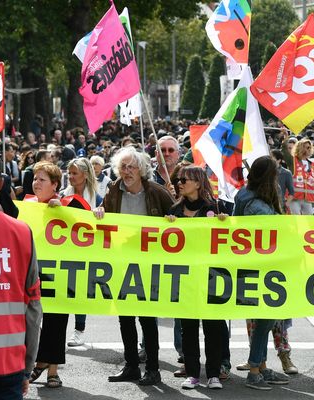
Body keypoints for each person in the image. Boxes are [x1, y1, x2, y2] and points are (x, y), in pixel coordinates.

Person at [94, 146, 174, 386]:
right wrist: (99, 210)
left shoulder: (157, 192)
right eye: (122, 167)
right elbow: (104, 214)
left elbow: (179, 217)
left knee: (147, 319)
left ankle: (153, 369)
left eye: (130, 167)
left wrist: (173, 219)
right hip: (121, 262)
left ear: (142, 170)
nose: (126, 171)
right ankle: (131, 366)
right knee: (125, 317)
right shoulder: (113, 191)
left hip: (148, 264)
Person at [0, 149, 42, 400]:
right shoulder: (21, 233)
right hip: (6, 363)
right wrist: (27, 369)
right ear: (0, 184)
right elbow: (33, 307)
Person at [165, 166, 228, 390]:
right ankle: (192, 374)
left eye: (185, 179)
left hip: (211, 277)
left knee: (213, 327)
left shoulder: (215, 207)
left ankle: (213, 374)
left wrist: (225, 222)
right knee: (188, 328)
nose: (179, 183)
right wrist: (167, 226)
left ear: (199, 183)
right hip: (186, 278)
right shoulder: (174, 209)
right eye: (179, 179)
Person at [233, 156, 290, 390]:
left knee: (263, 320)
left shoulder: (247, 195)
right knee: (265, 320)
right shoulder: (256, 204)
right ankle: (255, 370)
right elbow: (271, 232)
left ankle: (262, 367)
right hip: (259, 268)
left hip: (255, 267)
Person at [25, 161, 68, 389]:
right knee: (33, 320)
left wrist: (61, 210)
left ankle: (52, 370)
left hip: (60, 274)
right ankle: (39, 361)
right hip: (32, 272)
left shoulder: (69, 205)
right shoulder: (27, 205)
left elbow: (89, 223)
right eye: (34, 179)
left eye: (42, 180)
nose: (36, 183)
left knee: (56, 320)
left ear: (55, 185)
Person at [59, 158, 102, 347]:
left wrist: (102, 212)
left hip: (87, 251)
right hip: (65, 249)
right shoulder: (62, 196)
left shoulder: (98, 198)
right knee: (64, 290)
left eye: (75, 173)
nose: (71, 177)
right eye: (69, 173)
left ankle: (79, 330)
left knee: (80, 292)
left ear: (85, 175)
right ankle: (59, 331)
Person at [290, 138, 314, 215]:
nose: (309, 149)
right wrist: (285, 137)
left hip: (308, 199)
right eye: (307, 147)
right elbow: (284, 152)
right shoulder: (293, 161)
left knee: (310, 221)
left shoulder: (312, 164)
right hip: (294, 198)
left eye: (310, 147)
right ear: (301, 148)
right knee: (296, 222)